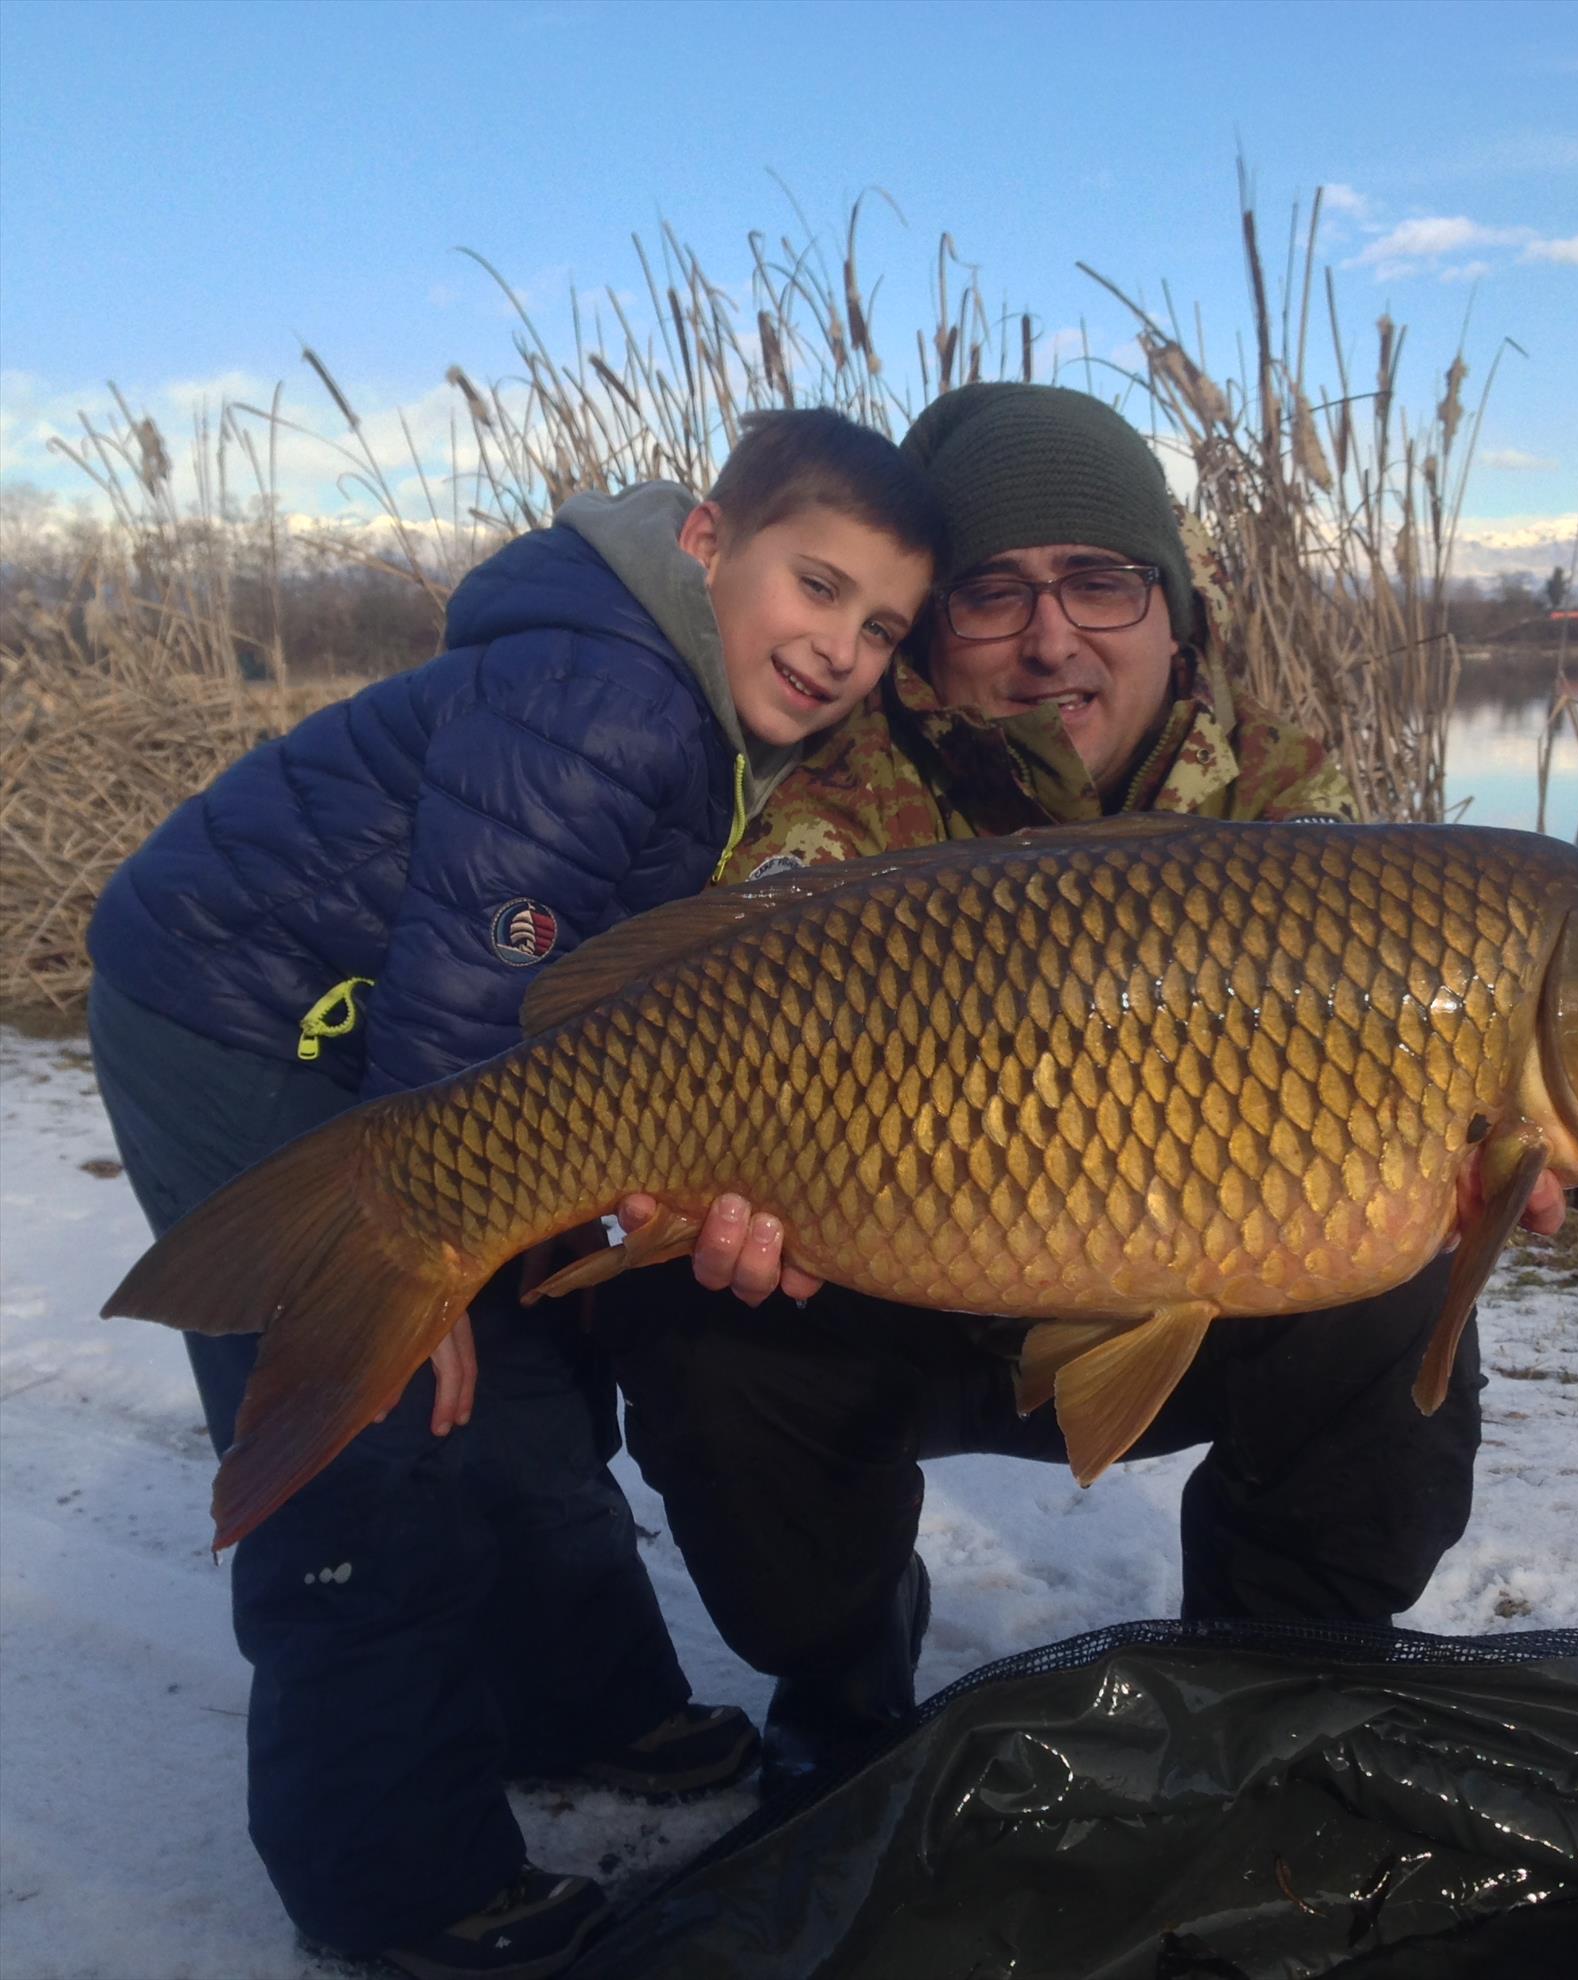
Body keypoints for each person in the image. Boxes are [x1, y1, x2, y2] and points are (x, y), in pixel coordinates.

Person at [603, 383, 1566, 1795]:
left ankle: (1260, 1686)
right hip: (898, 1289)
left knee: (1405, 1283)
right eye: (995, 594)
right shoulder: (842, 818)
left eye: (1100, 584)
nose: (1052, 637)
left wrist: (1491, 1151)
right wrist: (719, 1219)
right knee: (696, 1319)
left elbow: (1423, 1084)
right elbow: (709, 1040)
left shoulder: (1295, 816)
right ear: (934, 633)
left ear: (1174, 612)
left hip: (1187, 1290)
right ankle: (839, 1662)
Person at [86, 409, 943, 1976]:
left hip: (394, 1044)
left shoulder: (718, 721)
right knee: (374, 1426)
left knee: (534, 1372)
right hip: (231, 1012)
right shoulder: (612, 695)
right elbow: (474, 974)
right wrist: (423, 1255)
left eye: (880, 627)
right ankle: (389, 1877)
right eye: (815, 588)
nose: (839, 651)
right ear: (707, 541)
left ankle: (580, 1701)